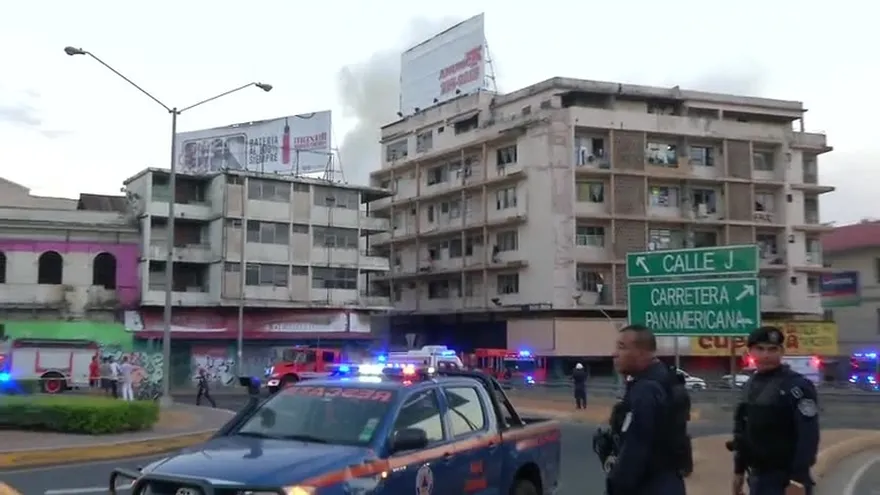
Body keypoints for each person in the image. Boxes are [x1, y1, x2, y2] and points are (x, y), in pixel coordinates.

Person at [730, 326, 819, 495]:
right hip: (757, 476)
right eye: (760, 349)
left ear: (781, 351)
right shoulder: (750, 385)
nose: (766, 355)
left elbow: (808, 435)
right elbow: (742, 432)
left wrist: (797, 480)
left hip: (784, 478)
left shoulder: (796, 386)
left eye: (772, 349)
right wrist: (738, 471)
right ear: (750, 352)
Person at [603, 324, 688, 495]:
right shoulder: (665, 378)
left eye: (622, 347)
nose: (614, 354)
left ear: (642, 352)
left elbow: (637, 447)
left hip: (651, 484)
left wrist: (615, 485)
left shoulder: (646, 389)